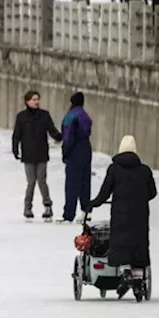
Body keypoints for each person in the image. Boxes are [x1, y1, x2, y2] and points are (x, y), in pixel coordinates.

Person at [90, 135, 157, 298]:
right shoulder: (145, 170)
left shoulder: (114, 169)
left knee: (120, 245)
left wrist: (93, 203)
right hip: (140, 216)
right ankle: (138, 281)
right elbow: (152, 192)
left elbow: (105, 193)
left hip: (120, 215)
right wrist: (139, 199)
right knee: (138, 247)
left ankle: (125, 273)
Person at [11, 90, 61, 221]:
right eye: (33, 99)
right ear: (27, 101)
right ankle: (27, 207)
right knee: (31, 182)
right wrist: (15, 149)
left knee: (42, 180)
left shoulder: (44, 115)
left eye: (37, 99)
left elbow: (52, 130)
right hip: (28, 154)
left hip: (41, 153)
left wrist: (60, 136)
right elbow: (17, 135)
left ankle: (47, 205)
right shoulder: (21, 117)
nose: (36, 101)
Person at [61, 91, 94, 223]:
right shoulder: (85, 115)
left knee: (72, 183)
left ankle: (69, 214)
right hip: (86, 147)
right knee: (85, 181)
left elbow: (68, 137)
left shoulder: (71, 115)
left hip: (75, 150)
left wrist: (65, 152)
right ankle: (86, 210)